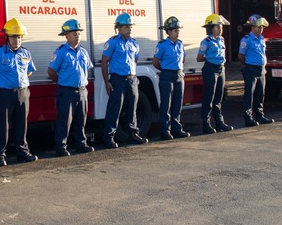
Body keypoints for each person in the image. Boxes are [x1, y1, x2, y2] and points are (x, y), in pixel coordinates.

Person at [0, 18, 38, 167]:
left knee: (22, 125)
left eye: (19, 37)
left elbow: (29, 71)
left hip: (23, 93)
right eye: (14, 37)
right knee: (2, 126)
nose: (17, 40)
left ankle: (23, 153)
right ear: (7, 37)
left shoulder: (26, 53)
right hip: (5, 94)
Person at [101, 13, 148, 148]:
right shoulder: (112, 42)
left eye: (130, 26)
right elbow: (104, 62)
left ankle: (133, 134)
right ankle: (109, 137)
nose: (129, 29)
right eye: (127, 26)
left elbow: (135, 60)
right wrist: (107, 81)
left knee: (132, 108)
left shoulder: (134, 43)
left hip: (131, 79)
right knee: (114, 109)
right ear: (119, 28)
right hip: (118, 80)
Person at [48, 18, 94, 157]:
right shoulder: (61, 52)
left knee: (81, 120)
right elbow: (51, 71)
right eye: (74, 34)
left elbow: (87, 69)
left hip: (82, 91)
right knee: (64, 121)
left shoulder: (83, 52)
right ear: (66, 36)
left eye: (78, 33)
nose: (77, 36)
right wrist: (63, 82)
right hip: (66, 91)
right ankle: (61, 147)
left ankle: (81, 144)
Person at [153, 16, 190, 139]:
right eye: (175, 30)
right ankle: (165, 130)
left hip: (178, 75)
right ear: (168, 32)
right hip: (167, 75)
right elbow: (155, 62)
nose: (177, 32)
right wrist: (165, 70)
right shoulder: (162, 45)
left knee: (177, 104)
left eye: (178, 30)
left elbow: (183, 59)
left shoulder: (180, 44)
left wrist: (178, 70)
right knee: (166, 104)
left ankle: (177, 129)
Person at [197, 14, 233, 133]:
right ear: (211, 28)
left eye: (221, 27)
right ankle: (206, 124)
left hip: (220, 69)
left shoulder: (221, 40)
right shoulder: (206, 42)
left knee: (218, 97)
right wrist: (210, 59)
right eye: (218, 27)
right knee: (209, 97)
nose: (220, 29)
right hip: (210, 69)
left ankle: (219, 123)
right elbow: (199, 58)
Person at [238, 14, 273, 127]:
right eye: (259, 26)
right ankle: (248, 118)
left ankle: (260, 116)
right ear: (253, 27)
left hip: (261, 69)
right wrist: (248, 65)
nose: (261, 28)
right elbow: (241, 56)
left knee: (260, 94)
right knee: (249, 94)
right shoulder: (246, 39)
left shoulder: (262, 38)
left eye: (262, 26)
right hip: (251, 68)